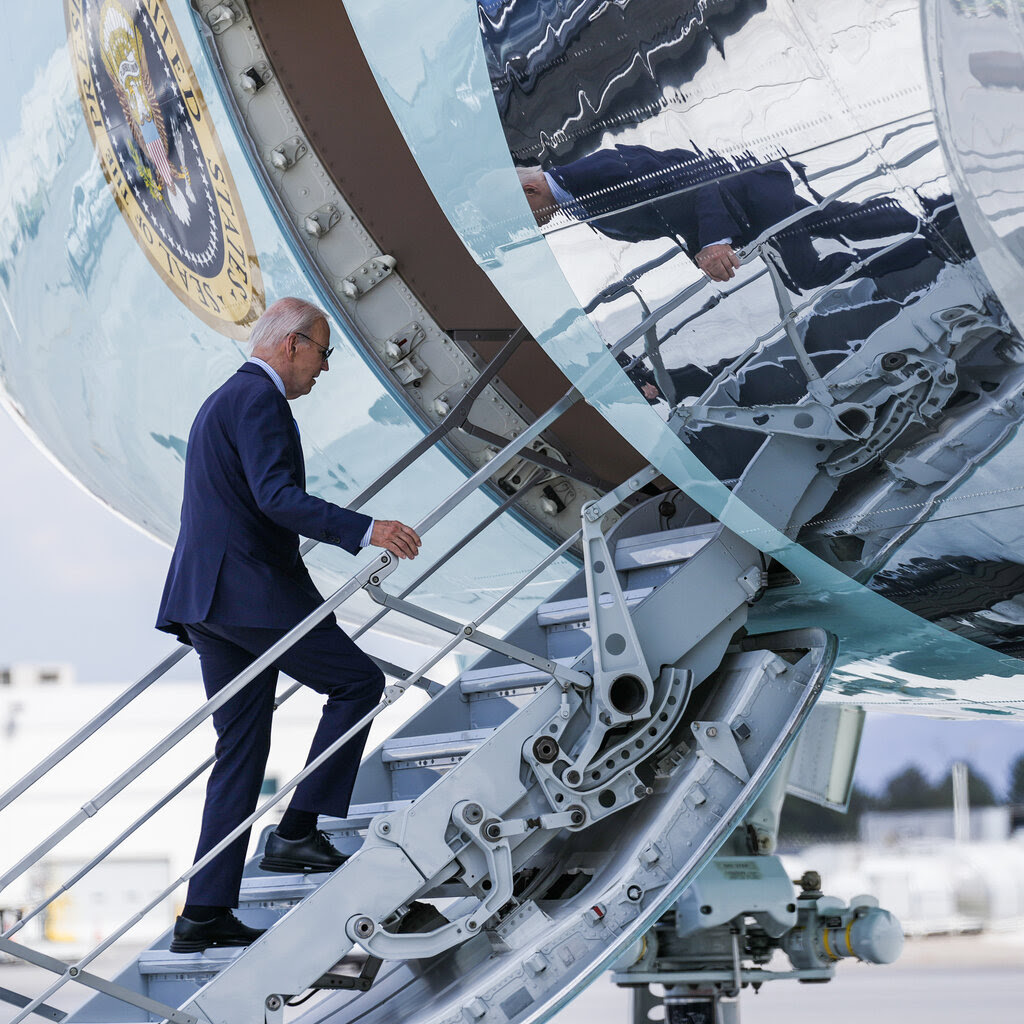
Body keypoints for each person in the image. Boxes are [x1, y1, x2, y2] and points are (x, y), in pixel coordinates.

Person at [156, 296, 421, 953]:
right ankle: (298, 831)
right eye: (324, 353)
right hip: (250, 596)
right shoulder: (259, 400)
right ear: (292, 344)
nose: (325, 369)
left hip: (208, 601)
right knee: (359, 684)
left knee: (242, 752)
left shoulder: (226, 399)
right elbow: (276, 498)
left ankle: (204, 913)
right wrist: (367, 529)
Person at [518, 144, 937, 292]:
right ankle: (922, 223)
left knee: (803, 274)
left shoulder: (593, 173)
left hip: (749, 193)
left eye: (527, 216)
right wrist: (701, 251)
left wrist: (715, 240)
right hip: (748, 205)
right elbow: (671, 218)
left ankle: (922, 248)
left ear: (531, 190)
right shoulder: (580, 203)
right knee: (833, 220)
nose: (536, 226)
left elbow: (695, 176)